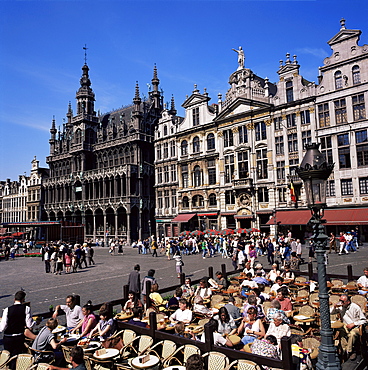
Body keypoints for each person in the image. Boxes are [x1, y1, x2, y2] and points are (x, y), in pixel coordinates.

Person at [0, 290, 36, 362]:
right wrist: (35, 322)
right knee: (17, 358)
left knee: (8, 358)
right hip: (19, 337)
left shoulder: (7, 310)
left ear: (14, 299)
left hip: (8, 337)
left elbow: (2, 328)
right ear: (23, 299)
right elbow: (29, 325)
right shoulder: (26, 308)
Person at [330, 293, 367, 360]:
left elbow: (364, 320)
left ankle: (350, 351)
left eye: (343, 301)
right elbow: (331, 312)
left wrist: (354, 323)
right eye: (340, 300)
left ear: (348, 302)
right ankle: (344, 349)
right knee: (339, 332)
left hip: (355, 327)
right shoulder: (340, 307)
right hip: (345, 325)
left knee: (352, 334)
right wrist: (334, 307)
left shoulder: (355, 307)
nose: (341, 302)